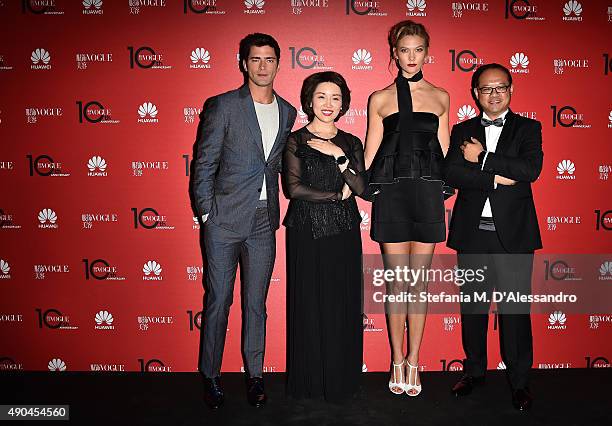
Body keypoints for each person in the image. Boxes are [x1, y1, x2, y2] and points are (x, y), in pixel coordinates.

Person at [192, 33, 297, 409]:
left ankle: (255, 376)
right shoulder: (222, 106)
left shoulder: (287, 111)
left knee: (257, 305)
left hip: (263, 221)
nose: (263, 66)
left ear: (278, 63)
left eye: (269, 59)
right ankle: (211, 376)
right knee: (218, 301)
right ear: (243, 63)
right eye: (255, 59)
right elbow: (204, 163)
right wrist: (207, 213)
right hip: (223, 220)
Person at [445, 63, 543, 411]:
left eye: (500, 87)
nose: (494, 93)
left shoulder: (529, 128)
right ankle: (474, 372)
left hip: (514, 235)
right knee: (473, 308)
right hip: (473, 235)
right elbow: (453, 172)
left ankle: (519, 382)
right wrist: (496, 177)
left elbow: (529, 170)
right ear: (475, 94)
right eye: (486, 88)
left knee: (515, 311)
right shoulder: (462, 130)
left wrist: (483, 158)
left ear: (511, 89)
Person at [363, 20, 450, 397]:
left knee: (419, 285)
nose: (411, 57)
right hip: (394, 196)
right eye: (404, 50)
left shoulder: (442, 97)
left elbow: (445, 154)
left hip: (428, 194)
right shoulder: (380, 98)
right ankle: (396, 358)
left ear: (427, 52)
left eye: (418, 50)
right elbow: (369, 155)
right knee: (398, 284)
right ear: (394, 53)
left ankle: (416, 359)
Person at [283, 71, 366, 402]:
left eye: (335, 97)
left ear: (344, 102)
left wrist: (339, 157)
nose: (328, 103)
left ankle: (341, 381)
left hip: (344, 232)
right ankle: (309, 381)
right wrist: (336, 195)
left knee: (341, 304)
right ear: (309, 101)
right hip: (306, 231)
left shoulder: (351, 142)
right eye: (321, 96)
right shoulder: (295, 140)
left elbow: (363, 188)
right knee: (308, 304)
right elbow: (293, 189)